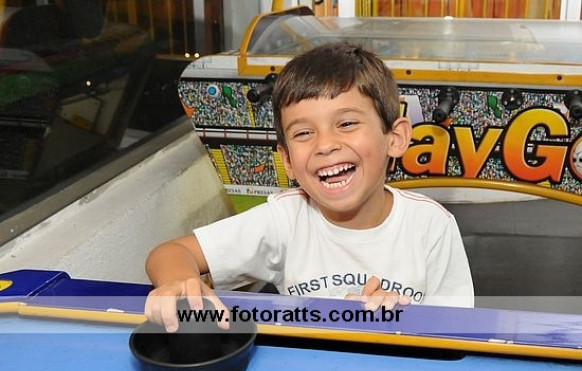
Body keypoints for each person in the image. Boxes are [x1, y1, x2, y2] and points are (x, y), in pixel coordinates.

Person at [145, 42, 474, 332]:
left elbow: (458, 333)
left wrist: (405, 320)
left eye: (346, 123)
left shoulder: (432, 226)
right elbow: (170, 253)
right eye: (303, 133)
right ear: (287, 160)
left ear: (395, 138)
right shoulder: (286, 219)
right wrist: (179, 282)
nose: (325, 144)